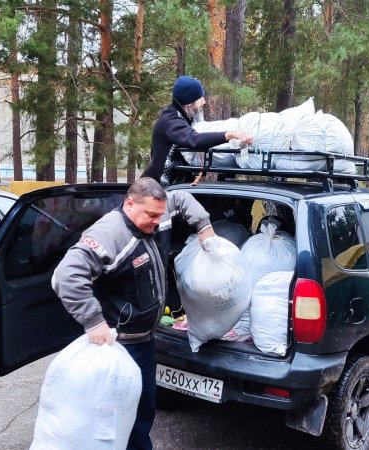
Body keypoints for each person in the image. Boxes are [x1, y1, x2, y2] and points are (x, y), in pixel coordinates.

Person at [51, 177, 216, 450]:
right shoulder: (110, 233)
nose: (157, 221)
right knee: (116, 417)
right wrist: (93, 322)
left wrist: (204, 227)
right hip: (120, 345)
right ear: (129, 203)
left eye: (160, 215)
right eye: (151, 215)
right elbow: (65, 276)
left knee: (143, 409)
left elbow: (182, 198)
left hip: (144, 340)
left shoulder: (157, 212)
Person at [142, 75, 253, 186]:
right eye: (200, 98)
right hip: (155, 189)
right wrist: (230, 134)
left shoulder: (186, 117)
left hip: (176, 187)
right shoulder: (170, 121)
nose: (203, 101)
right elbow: (194, 139)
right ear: (189, 103)